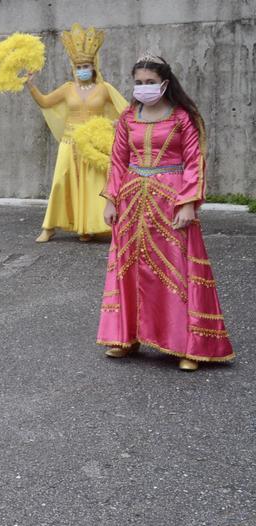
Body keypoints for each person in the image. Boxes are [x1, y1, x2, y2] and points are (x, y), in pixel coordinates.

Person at [97, 55, 234, 371]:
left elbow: (194, 161)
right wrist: (110, 200)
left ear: (165, 84)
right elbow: (117, 161)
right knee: (128, 268)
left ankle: (189, 346)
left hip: (169, 202)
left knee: (176, 270)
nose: (143, 88)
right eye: (139, 83)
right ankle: (125, 337)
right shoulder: (129, 117)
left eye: (150, 82)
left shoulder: (183, 118)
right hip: (132, 203)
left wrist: (188, 203)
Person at [25, 23, 129, 243]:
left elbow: (127, 112)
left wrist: (114, 123)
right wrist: (31, 85)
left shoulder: (104, 89)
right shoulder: (67, 88)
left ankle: (88, 228)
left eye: (87, 65)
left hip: (94, 144)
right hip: (69, 141)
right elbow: (45, 101)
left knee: (94, 185)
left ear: (93, 67)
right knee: (61, 182)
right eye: (79, 65)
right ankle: (49, 227)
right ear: (74, 66)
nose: (83, 68)